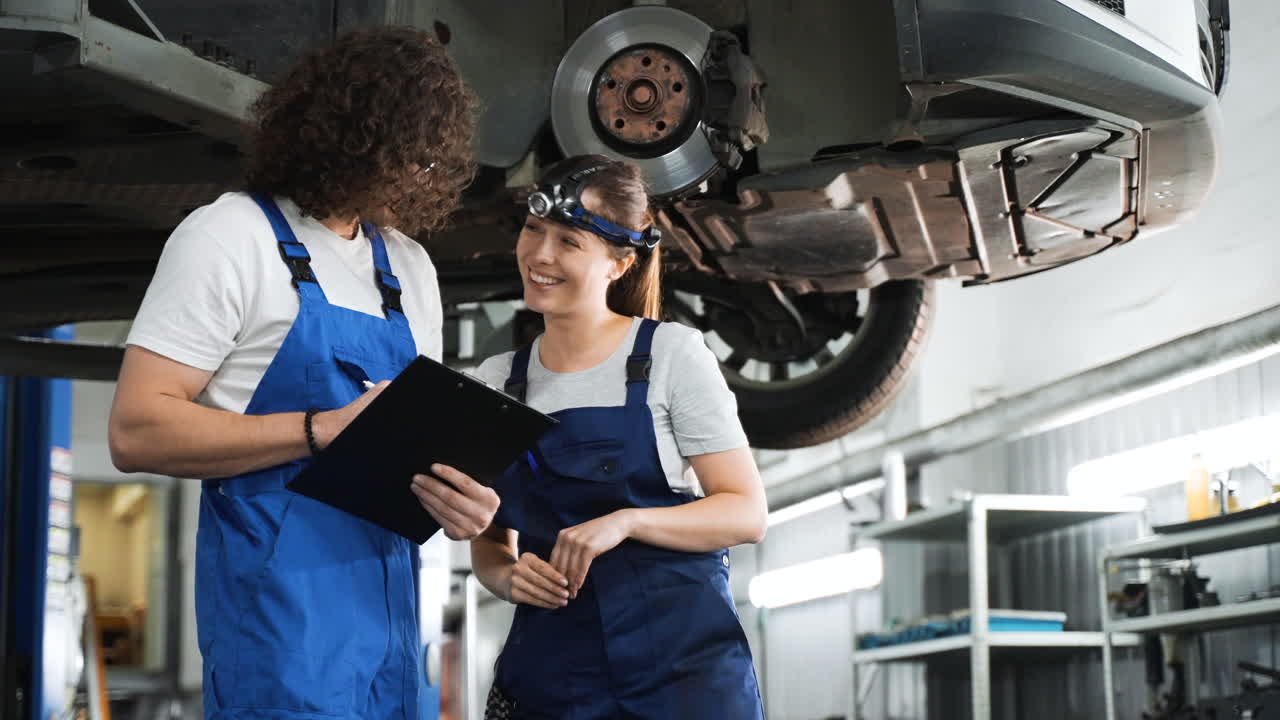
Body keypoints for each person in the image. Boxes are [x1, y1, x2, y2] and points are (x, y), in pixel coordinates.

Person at [107, 27, 498, 719]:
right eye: (403, 155)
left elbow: (416, 450)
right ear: (346, 137)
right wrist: (322, 429)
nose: (416, 178)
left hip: (392, 642)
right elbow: (136, 431)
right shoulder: (230, 237)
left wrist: (464, 505)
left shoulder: (407, 268)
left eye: (427, 162)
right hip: (278, 638)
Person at [464, 155, 769, 719]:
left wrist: (626, 522)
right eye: (534, 231)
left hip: (681, 680)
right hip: (552, 680)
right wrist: (507, 578)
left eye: (569, 241)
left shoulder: (671, 356)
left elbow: (746, 513)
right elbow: (487, 541)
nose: (541, 255)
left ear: (619, 263)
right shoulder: (494, 382)